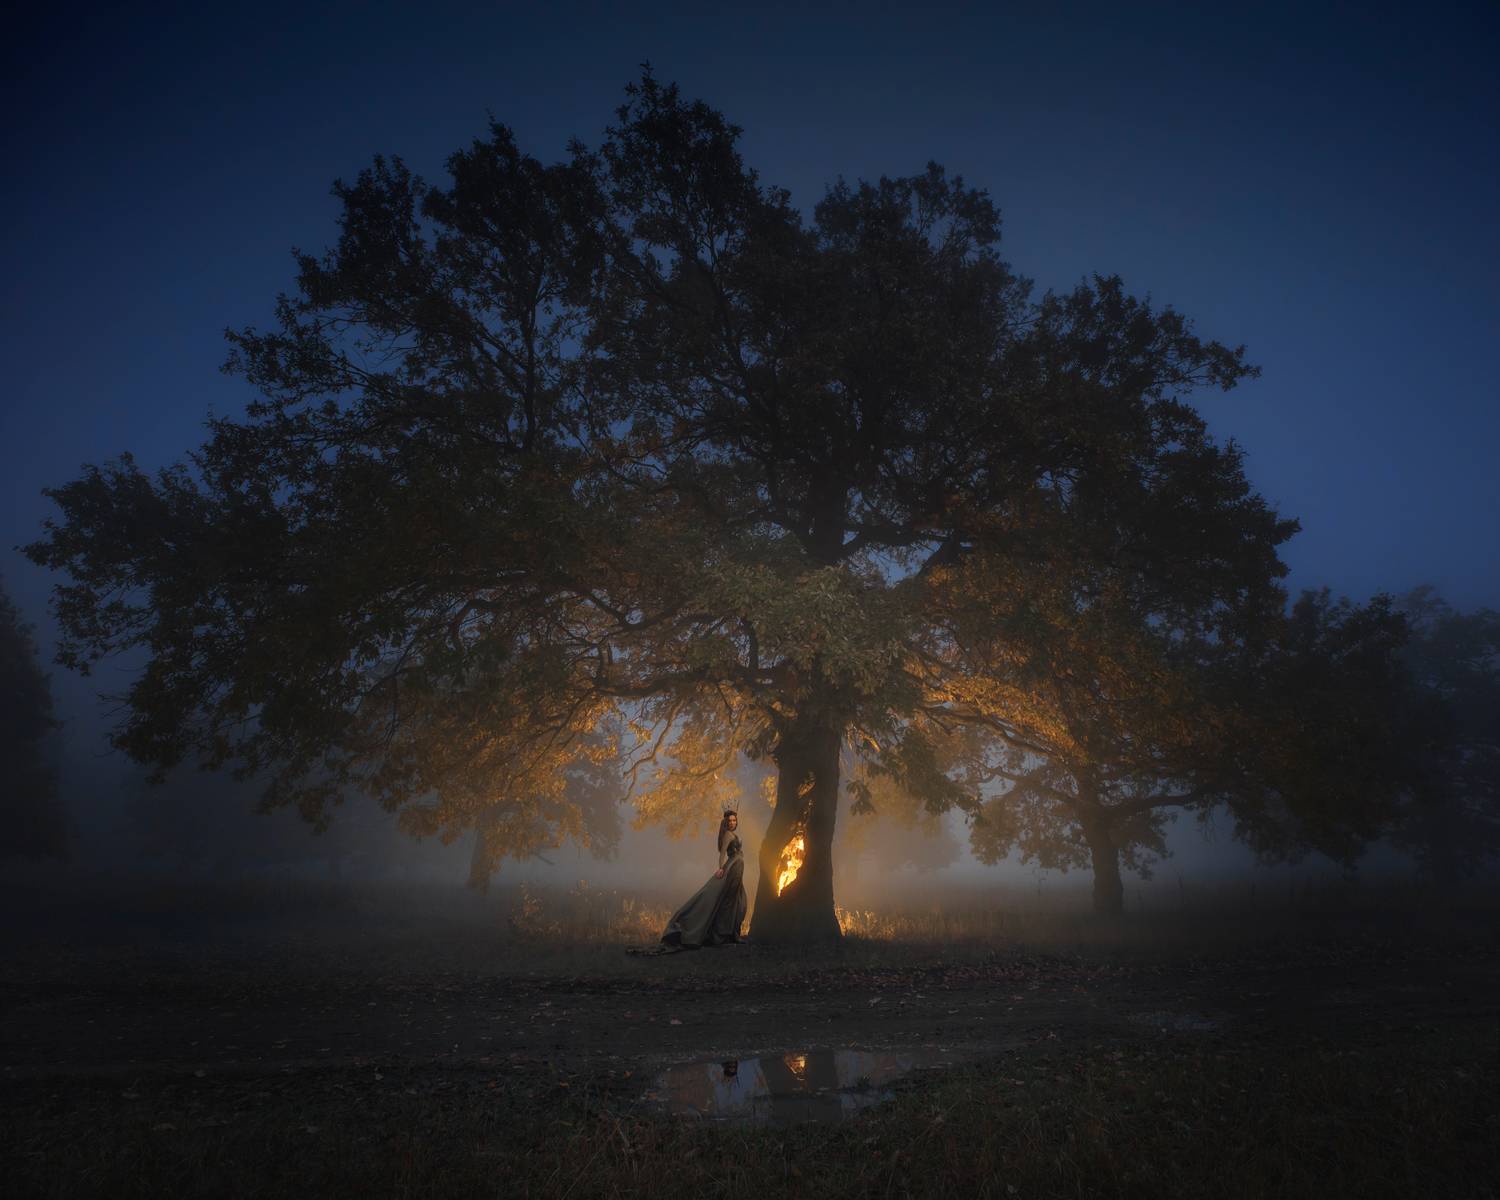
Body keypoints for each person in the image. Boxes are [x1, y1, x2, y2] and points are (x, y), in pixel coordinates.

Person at [659, 810, 748, 949]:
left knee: (739, 901)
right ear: (725, 822)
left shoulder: (733, 834)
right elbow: (722, 854)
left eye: (734, 820)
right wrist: (720, 868)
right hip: (733, 868)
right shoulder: (728, 835)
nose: (732, 823)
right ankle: (724, 935)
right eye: (730, 821)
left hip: (737, 867)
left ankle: (730, 934)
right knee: (730, 901)